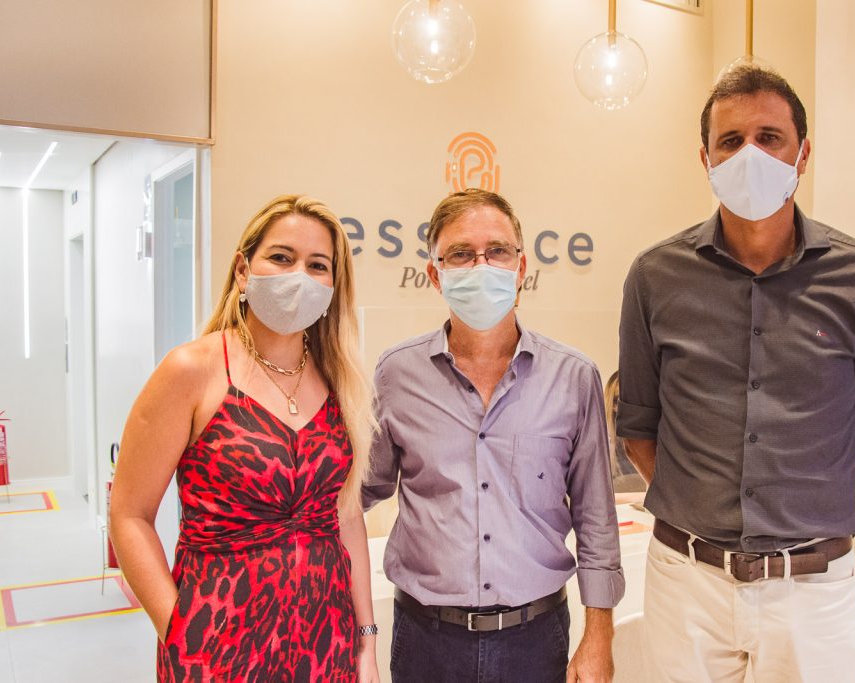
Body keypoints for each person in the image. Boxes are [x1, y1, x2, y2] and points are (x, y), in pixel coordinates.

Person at [617, 64, 855, 683]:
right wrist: (701, 504)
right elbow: (639, 428)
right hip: (686, 584)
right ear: (706, 159)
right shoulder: (654, 277)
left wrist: (799, 509)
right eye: (731, 141)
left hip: (813, 591)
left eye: (770, 137)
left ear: (803, 154)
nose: (750, 153)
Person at [110, 195, 380, 682]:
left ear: (332, 287)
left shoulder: (339, 380)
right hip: (217, 647)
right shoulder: (193, 370)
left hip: (327, 642)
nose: (299, 275)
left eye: (317, 265)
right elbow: (129, 514)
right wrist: (179, 632)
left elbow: (346, 516)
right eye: (281, 257)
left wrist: (367, 645)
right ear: (242, 270)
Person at [363, 189, 624, 683]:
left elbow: (596, 520)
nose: (481, 266)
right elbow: (358, 490)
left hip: (536, 638)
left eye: (497, 251)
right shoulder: (396, 374)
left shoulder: (573, 377)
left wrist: (599, 635)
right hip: (426, 640)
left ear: (521, 267)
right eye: (462, 253)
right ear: (436, 274)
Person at [603, 371, 646, 498]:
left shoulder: (653, 438)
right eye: (619, 400)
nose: (630, 407)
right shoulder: (604, 443)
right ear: (612, 404)